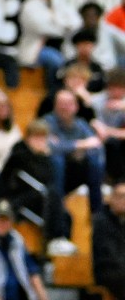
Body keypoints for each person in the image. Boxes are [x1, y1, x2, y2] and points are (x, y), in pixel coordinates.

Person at [0, 119, 71, 254]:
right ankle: (55, 239)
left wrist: (44, 157)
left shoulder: (46, 157)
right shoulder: (19, 155)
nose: (40, 141)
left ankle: (61, 242)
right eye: (37, 137)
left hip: (40, 196)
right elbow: (3, 181)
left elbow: (48, 179)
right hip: (20, 197)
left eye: (43, 138)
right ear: (28, 138)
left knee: (67, 214)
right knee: (52, 195)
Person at [43, 88, 106, 219]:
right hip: (50, 172)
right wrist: (79, 145)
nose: (64, 107)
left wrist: (70, 147)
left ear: (76, 107)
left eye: (69, 103)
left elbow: (96, 145)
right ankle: (57, 208)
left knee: (94, 162)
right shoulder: (47, 122)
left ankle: (97, 215)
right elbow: (51, 147)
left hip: (74, 171)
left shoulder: (81, 124)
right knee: (57, 159)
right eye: (61, 103)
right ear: (55, 105)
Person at [18, 0, 80, 92]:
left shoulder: (60, 5)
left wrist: (56, 23)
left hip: (62, 48)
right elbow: (42, 27)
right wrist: (63, 26)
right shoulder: (30, 6)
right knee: (55, 60)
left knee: (77, 65)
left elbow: (76, 23)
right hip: (39, 49)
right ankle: (53, 92)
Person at [92, 181, 125, 297]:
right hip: (108, 271)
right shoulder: (102, 221)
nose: (123, 201)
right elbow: (107, 255)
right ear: (111, 198)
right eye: (120, 196)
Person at [92, 67, 125, 184]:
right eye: (113, 88)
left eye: (120, 88)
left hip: (116, 136)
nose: (116, 92)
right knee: (110, 145)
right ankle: (113, 181)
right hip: (100, 137)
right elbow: (94, 124)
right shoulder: (97, 101)